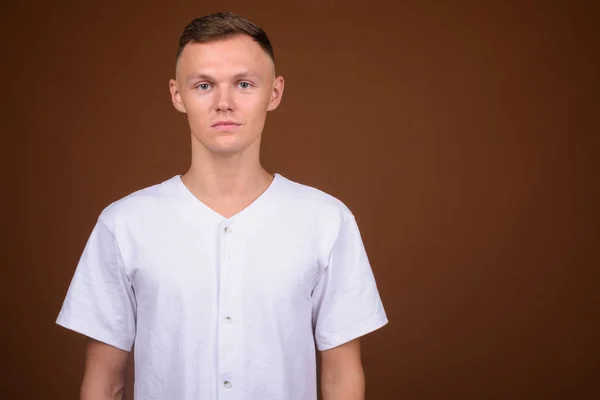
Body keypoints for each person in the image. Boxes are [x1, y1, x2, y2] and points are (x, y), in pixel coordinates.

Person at [56, 11, 388, 400]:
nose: (224, 103)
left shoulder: (327, 221)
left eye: (244, 84)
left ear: (275, 93)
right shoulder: (124, 224)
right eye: (203, 85)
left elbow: (340, 377)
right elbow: (104, 380)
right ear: (178, 95)